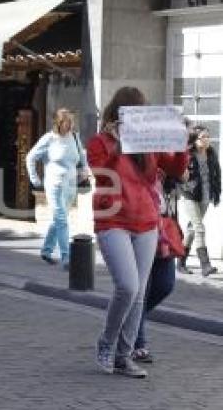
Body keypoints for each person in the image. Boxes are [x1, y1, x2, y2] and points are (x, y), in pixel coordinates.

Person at [87, 86, 188, 379]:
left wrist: (181, 140)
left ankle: (124, 355)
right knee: (128, 286)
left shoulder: (148, 144)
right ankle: (106, 343)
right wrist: (117, 143)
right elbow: (100, 171)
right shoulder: (100, 142)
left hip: (145, 222)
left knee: (140, 292)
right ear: (119, 114)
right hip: (112, 221)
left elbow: (176, 168)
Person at [25, 108, 90, 268]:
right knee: (61, 219)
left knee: (58, 219)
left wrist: (84, 171)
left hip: (70, 185)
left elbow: (81, 156)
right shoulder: (49, 139)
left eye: (72, 121)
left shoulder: (74, 137)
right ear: (59, 123)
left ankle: (46, 250)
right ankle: (66, 256)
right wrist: (34, 178)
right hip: (54, 184)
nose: (71, 125)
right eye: (68, 122)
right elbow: (30, 157)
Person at [133, 173, 183, 363]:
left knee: (165, 284)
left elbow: (181, 173)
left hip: (162, 229)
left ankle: (130, 319)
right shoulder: (135, 159)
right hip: (139, 225)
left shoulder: (165, 167)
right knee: (141, 290)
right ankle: (138, 343)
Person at [178, 125, 220, 277]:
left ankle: (181, 262)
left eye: (208, 136)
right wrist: (184, 189)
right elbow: (179, 175)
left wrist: (217, 192)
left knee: (191, 230)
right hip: (190, 196)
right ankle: (205, 265)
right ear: (195, 140)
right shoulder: (187, 154)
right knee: (199, 227)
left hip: (206, 196)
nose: (207, 140)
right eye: (203, 137)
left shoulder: (211, 153)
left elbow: (217, 173)